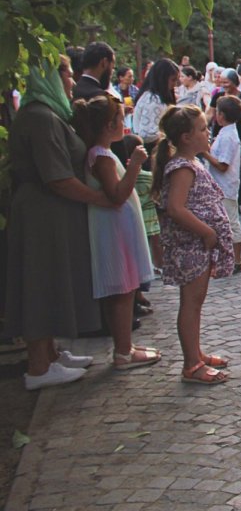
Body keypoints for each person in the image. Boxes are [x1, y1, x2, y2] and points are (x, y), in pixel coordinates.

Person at [3, 56, 108, 389]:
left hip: (48, 212)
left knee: (50, 279)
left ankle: (48, 354)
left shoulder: (44, 113)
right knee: (40, 281)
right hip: (42, 215)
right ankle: (39, 366)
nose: (71, 81)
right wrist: (100, 198)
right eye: (66, 74)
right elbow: (57, 177)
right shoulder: (40, 117)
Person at [72, 95, 159, 370]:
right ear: (110, 125)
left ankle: (125, 346)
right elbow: (117, 195)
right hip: (114, 230)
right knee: (122, 290)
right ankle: (123, 352)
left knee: (124, 289)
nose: (125, 124)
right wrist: (134, 165)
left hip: (117, 228)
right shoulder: (101, 156)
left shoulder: (102, 154)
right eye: (121, 119)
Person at [151, 105, 235, 385]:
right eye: (202, 129)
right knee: (191, 303)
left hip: (197, 244)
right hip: (191, 245)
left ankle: (196, 352)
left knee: (196, 302)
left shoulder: (191, 162)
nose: (207, 132)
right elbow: (175, 208)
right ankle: (191, 364)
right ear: (186, 137)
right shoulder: (182, 167)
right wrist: (207, 232)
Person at [201, 96, 241, 272]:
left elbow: (222, 165)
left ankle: (237, 260)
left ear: (221, 115)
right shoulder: (225, 133)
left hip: (225, 186)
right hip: (220, 186)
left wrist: (204, 153)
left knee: (231, 223)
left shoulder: (228, 136)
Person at [131, 58, 179, 143]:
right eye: (173, 80)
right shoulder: (153, 101)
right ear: (162, 79)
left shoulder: (153, 96)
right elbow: (147, 134)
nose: (175, 84)